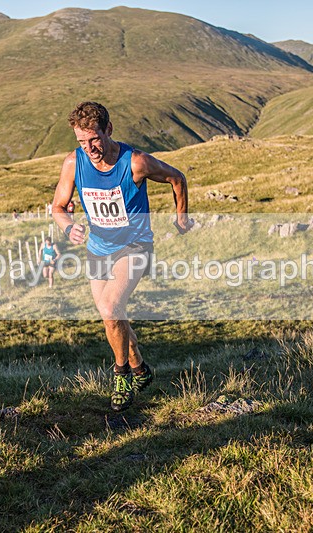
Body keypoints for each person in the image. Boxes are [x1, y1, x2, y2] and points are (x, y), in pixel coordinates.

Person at [52, 101, 193, 412]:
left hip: (135, 246)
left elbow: (177, 178)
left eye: (94, 139)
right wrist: (68, 228)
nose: (89, 148)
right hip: (98, 248)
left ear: (109, 130)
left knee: (112, 308)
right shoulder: (74, 164)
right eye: (81, 142)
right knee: (109, 315)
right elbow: (58, 208)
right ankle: (141, 368)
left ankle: (121, 375)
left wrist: (181, 218)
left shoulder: (135, 163)